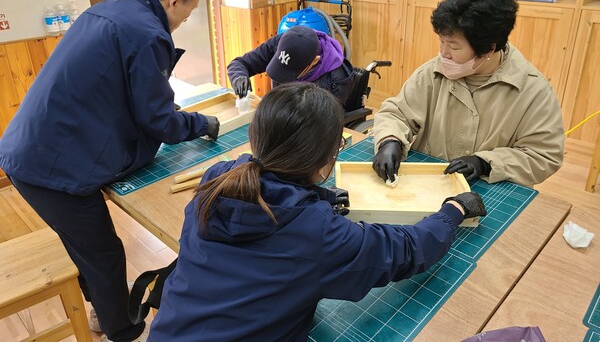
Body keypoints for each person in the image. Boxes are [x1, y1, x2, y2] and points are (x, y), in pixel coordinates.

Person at [148, 82, 487, 342]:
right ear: (327, 161)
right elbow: (403, 251)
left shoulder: (217, 176)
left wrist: (318, 197)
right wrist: (453, 210)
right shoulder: (317, 232)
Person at [0, 0, 220, 342]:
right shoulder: (149, 33)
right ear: (174, 0)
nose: (188, 17)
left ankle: (103, 310)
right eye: (190, 9)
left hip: (27, 147)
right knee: (102, 255)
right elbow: (161, 122)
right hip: (49, 168)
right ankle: (123, 329)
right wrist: (203, 123)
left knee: (85, 247)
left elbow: (116, 91)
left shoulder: (105, 11)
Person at [372, 0, 564, 187]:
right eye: (441, 42)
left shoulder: (533, 91)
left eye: (453, 46)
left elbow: (544, 156)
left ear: (488, 49)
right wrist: (389, 140)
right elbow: (396, 113)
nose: (443, 53)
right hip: (429, 184)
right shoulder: (432, 72)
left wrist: (486, 163)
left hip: (489, 190)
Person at [227, 24, 355, 106]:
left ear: (315, 61)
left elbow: (328, 123)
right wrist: (239, 77)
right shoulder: (283, 42)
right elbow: (240, 63)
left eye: (291, 71)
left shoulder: (337, 77)